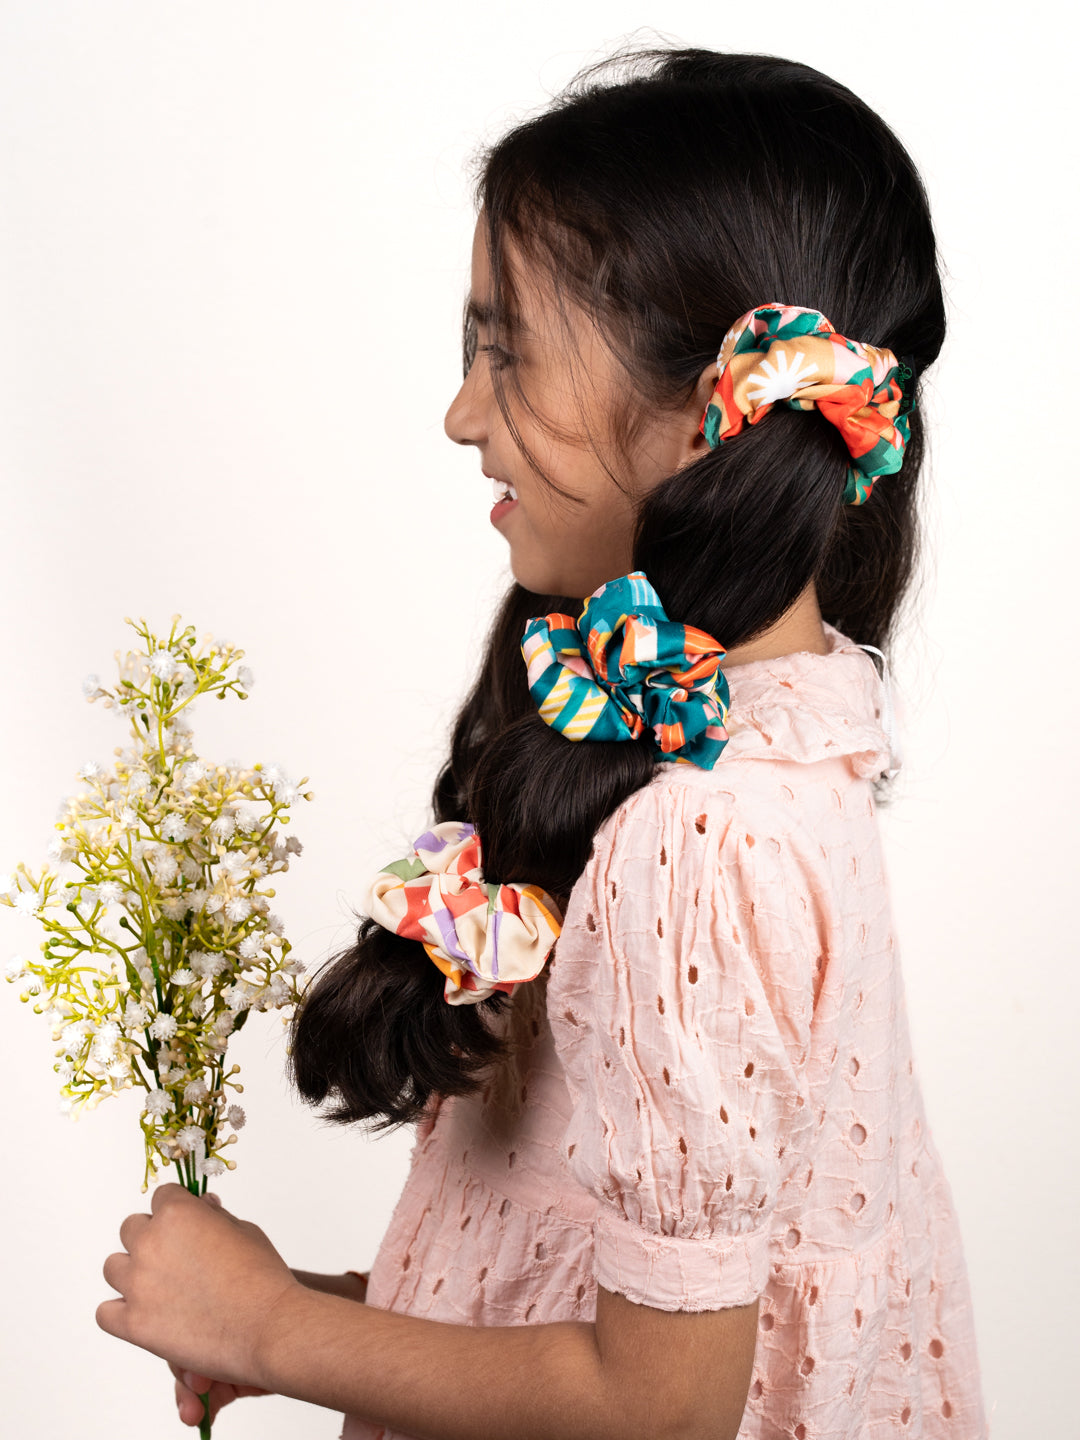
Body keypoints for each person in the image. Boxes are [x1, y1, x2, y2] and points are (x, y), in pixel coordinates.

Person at [99, 45, 987, 1439]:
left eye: (504, 350)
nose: (462, 416)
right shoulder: (769, 744)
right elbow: (626, 1282)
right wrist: (317, 1317)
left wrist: (265, 1323)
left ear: (713, 403)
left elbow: (666, 1405)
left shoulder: (700, 836)